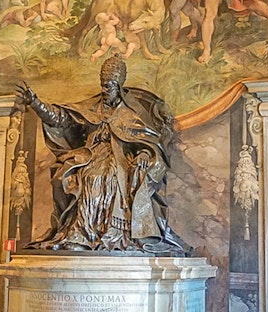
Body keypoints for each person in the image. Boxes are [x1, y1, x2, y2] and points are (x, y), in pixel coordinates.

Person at [15, 54, 186, 253]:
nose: (104, 90)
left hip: (119, 159)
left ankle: (106, 233)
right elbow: (62, 119)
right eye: (103, 85)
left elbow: (148, 144)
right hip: (89, 155)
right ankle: (78, 232)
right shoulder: (92, 108)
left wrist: (144, 156)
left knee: (100, 178)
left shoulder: (130, 114)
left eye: (109, 86)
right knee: (63, 177)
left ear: (119, 87)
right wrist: (36, 103)